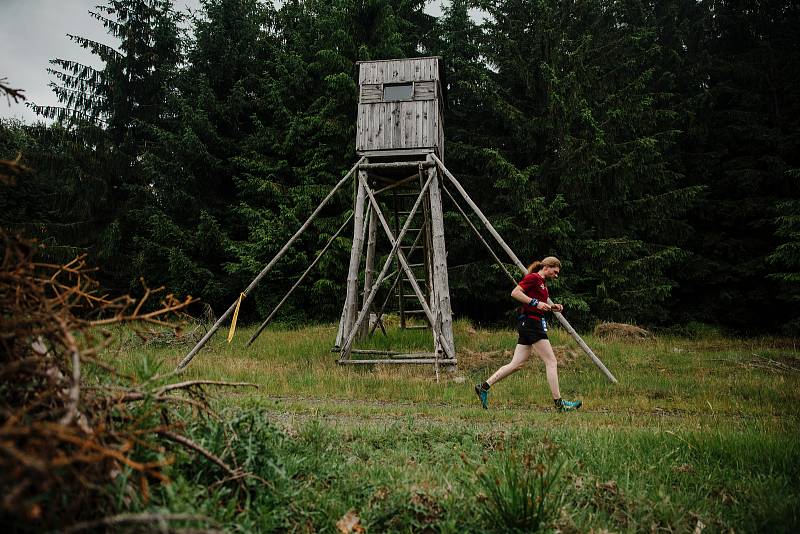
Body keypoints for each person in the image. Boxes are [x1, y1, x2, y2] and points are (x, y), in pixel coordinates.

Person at [474, 256, 582, 412]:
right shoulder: (533, 278)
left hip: (530, 323)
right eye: (555, 271)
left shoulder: (542, 283)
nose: (556, 275)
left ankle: (483, 387)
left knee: (517, 364)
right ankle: (560, 404)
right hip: (532, 323)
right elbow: (515, 293)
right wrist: (535, 303)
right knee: (551, 362)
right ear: (547, 267)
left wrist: (553, 307)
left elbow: (538, 303)